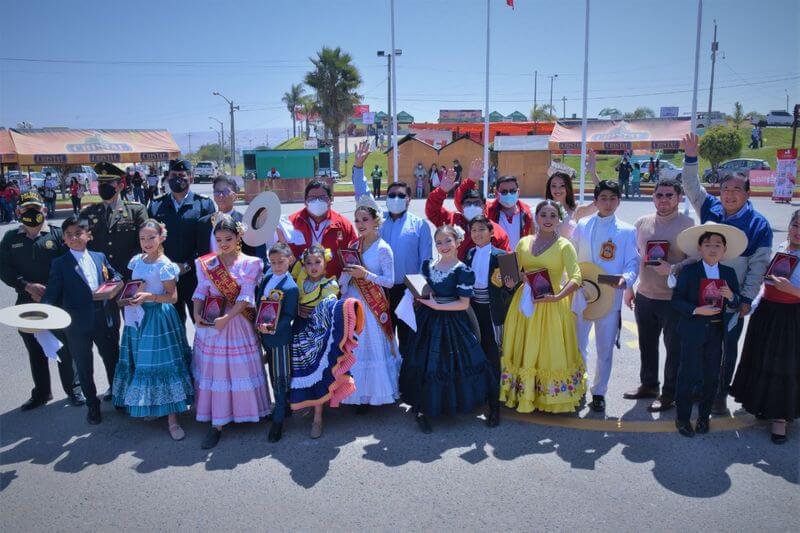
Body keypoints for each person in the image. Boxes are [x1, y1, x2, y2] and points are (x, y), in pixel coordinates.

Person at [681, 132, 773, 414]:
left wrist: (745, 297)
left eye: (736, 190)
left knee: (725, 347)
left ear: (747, 193)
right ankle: (698, 387)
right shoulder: (710, 207)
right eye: (725, 190)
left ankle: (720, 393)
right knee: (699, 344)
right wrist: (691, 158)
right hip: (700, 294)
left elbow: (758, 266)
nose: (729, 195)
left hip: (731, 298)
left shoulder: (759, 224)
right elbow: (691, 187)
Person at [399, 225, 498, 433]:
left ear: (458, 242)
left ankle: (450, 404)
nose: (443, 246)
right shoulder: (428, 265)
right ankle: (422, 408)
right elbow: (422, 288)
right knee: (425, 363)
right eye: (439, 242)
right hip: (427, 320)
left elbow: (464, 304)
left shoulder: (462, 270)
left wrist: (438, 305)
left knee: (452, 363)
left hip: (453, 321)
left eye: (448, 241)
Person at [191, 215, 270, 449]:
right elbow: (202, 290)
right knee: (217, 373)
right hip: (213, 323)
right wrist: (196, 313)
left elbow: (246, 298)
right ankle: (217, 422)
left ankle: (250, 411)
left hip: (236, 323)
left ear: (239, 237)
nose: (223, 243)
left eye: (228, 238)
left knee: (240, 369)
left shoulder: (251, 263)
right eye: (218, 239)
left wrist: (227, 318)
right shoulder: (207, 263)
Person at [500, 201, 586, 414]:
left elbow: (576, 277)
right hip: (526, 302)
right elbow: (514, 271)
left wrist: (557, 297)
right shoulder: (524, 242)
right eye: (544, 215)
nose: (548, 219)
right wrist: (511, 279)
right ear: (537, 218)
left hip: (552, 305)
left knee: (549, 349)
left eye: (553, 215)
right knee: (526, 346)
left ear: (559, 220)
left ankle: (548, 396)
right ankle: (524, 392)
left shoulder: (564, 245)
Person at [112, 220, 194, 440]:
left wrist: (150, 297)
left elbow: (173, 297)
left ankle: (173, 420)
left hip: (158, 317)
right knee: (143, 362)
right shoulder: (137, 260)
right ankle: (153, 407)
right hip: (137, 316)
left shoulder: (164, 264)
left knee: (162, 364)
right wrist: (127, 297)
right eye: (142, 238)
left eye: (151, 237)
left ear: (161, 238)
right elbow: (134, 285)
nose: (146, 242)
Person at [0, 192, 83, 410]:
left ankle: (74, 390)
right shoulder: (10, 239)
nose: (32, 213)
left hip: (57, 302)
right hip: (26, 302)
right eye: (27, 210)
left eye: (36, 209)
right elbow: (3, 268)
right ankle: (41, 392)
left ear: (44, 210)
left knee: (64, 348)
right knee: (35, 349)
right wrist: (26, 285)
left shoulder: (56, 235)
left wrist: (50, 292)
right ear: (19, 212)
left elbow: (70, 265)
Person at [351, 140, 432, 352]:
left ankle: (407, 382)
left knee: (409, 343)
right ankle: (390, 383)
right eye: (391, 195)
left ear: (409, 199)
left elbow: (426, 261)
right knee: (383, 341)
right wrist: (359, 166)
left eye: (400, 196)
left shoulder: (420, 225)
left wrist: (419, 293)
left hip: (408, 292)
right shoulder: (378, 220)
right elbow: (363, 194)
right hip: (379, 290)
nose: (395, 198)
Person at [622, 179, 694, 412]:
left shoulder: (688, 225)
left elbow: (695, 259)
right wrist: (630, 288)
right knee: (647, 345)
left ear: (679, 198)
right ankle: (649, 385)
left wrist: (673, 268)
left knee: (674, 349)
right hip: (645, 295)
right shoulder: (642, 223)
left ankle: (669, 394)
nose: (664, 200)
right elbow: (633, 258)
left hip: (673, 299)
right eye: (659, 195)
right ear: (653, 197)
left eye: (669, 195)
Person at [42, 216, 122, 424]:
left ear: (88, 235)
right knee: (84, 367)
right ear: (64, 240)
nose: (73, 238)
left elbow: (115, 276)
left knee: (112, 359)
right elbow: (52, 293)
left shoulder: (99, 257)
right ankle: (92, 405)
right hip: (76, 324)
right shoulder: (60, 264)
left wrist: (115, 285)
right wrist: (42, 312)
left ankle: (118, 397)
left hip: (103, 320)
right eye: (68, 235)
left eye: (78, 233)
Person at [732, 210, 800, 444]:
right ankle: (761, 405)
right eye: (795, 225)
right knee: (761, 359)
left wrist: (793, 291)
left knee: (784, 364)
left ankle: (780, 418)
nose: (797, 232)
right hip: (767, 311)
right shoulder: (781, 247)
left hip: (791, 315)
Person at [572, 180, 640, 412]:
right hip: (583, 294)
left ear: (619, 201)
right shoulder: (582, 224)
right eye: (603, 198)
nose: (608, 203)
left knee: (605, 348)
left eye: (613, 198)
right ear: (596, 200)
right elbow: (571, 257)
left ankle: (599, 391)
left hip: (609, 297)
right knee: (579, 344)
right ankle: (578, 385)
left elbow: (632, 261)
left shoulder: (627, 230)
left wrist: (627, 279)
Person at [672, 227, 742, 437]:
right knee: (687, 374)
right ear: (700, 248)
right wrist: (695, 309)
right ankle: (682, 418)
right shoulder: (690, 271)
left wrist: (731, 296)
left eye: (718, 245)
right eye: (708, 245)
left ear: (724, 249)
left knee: (711, 376)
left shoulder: (728, 273)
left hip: (716, 332)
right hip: (693, 329)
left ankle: (704, 417)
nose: (713, 249)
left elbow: (737, 302)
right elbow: (676, 300)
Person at [338, 200, 400, 412]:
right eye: (357, 220)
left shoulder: (384, 249)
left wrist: (365, 275)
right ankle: (359, 394)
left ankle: (377, 394)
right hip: (354, 302)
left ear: (376, 221)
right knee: (357, 347)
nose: (360, 223)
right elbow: (346, 273)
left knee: (372, 346)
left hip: (373, 305)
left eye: (365, 219)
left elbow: (390, 281)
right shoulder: (354, 245)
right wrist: (343, 281)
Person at [289, 245, 355, 439]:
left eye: (318, 262)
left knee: (318, 371)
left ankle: (318, 417)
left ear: (325, 263)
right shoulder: (300, 280)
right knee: (303, 369)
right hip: (300, 329)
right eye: (308, 263)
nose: (313, 267)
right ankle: (310, 402)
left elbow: (329, 305)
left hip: (319, 333)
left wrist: (313, 312)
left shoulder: (329, 285)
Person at [148, 159, 216, 324]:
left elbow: (209, 245)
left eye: (181, 175)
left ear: (191, 178)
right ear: (167, 177)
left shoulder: (204, 204)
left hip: (196, 276)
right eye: (173, 175)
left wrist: (187, 265)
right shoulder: (157, 205)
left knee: (202, 322)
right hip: (167, 277)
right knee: (173, 326)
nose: (177, 179)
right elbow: (150, 242)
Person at [464, 216, 515, 426]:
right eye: (473, 230)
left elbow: (514, 289)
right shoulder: (469, 253)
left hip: (493, 313)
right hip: (472, 310)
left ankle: (495, 406)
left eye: (482, 229)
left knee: (493, 357)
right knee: (477, 354)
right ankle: (480, 395)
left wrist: (511, 286)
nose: (477, 234)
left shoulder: (503, 256)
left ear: (491, 232)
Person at [256, 242, 299, 443]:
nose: (277, 266)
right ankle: (284, 407)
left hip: (280, 337)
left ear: (289, 260)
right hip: (265, 335)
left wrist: (271, 327)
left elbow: (289, 315)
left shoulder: (290, 287)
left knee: (281, 376)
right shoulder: (267, 278)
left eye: (281, 261)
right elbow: (260, 303)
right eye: (273, 262)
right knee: (272, 373)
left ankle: (279, 419)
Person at [80, 162, 148, 280]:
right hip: (99, 275)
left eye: (109, 183)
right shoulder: (87, 212)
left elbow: (143, 245)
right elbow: (82, 244)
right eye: (101, 183)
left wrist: (124, 270)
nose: (103, 186)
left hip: (129, 274)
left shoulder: (137, 210)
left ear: (120, 186)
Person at [426, 166, 511, 259]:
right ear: (461, 207)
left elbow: (507, 265)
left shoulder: (497, 232)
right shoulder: (451, 222)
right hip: (455, 272)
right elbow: (432, 211)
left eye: (477, 203)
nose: (472, 207)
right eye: (468, 203)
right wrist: (441, 191)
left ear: (484, 206)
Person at [287, 179, 358, 279]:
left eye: (322, 197)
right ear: (305, 201)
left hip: (333, 286)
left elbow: (352, 258)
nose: (317, 201)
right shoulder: (291, 223)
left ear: (331, 199)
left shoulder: (343, 225)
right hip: (299, 286)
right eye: (312, 197)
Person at [456, 165, 533, 249]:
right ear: (496, 193)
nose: (508, 194)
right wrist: (470, 181)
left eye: (512, 191)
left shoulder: (529, 212)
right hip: (495, 259)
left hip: (521, 259)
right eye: (504, 192)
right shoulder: (488, 210)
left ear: (518, 192)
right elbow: (461, 202)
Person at [196, 176, 265, 261]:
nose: (221, 195)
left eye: (225, 191)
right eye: (217, 192)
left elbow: (255, 255)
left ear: (235, 196)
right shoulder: (203, 223)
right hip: (210, 272)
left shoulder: (246, 222)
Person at [545, 151, 600, 238]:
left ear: (568, 187)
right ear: (549, 188)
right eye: (554, 186)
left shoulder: (576, 210)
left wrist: (593, 173)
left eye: (562, 185)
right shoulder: (542, 209)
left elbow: (601, 201)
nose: (557, 189)